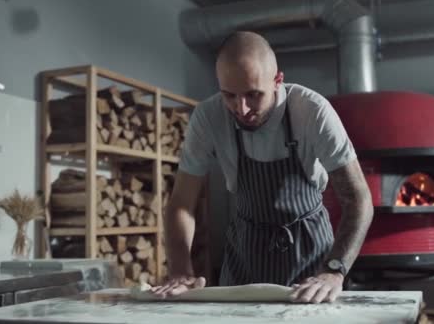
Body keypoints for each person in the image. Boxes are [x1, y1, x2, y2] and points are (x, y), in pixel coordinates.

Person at [152, 31, 373, 304]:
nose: (241, 108)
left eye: (253, 95)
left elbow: (357, 198)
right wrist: (180, 271)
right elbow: (182, 204)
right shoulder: (207, 117)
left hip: (311, 256)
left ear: (278, 81)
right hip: (245, 251)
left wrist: (334, 270)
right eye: (229, 95)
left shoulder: (312, 111)